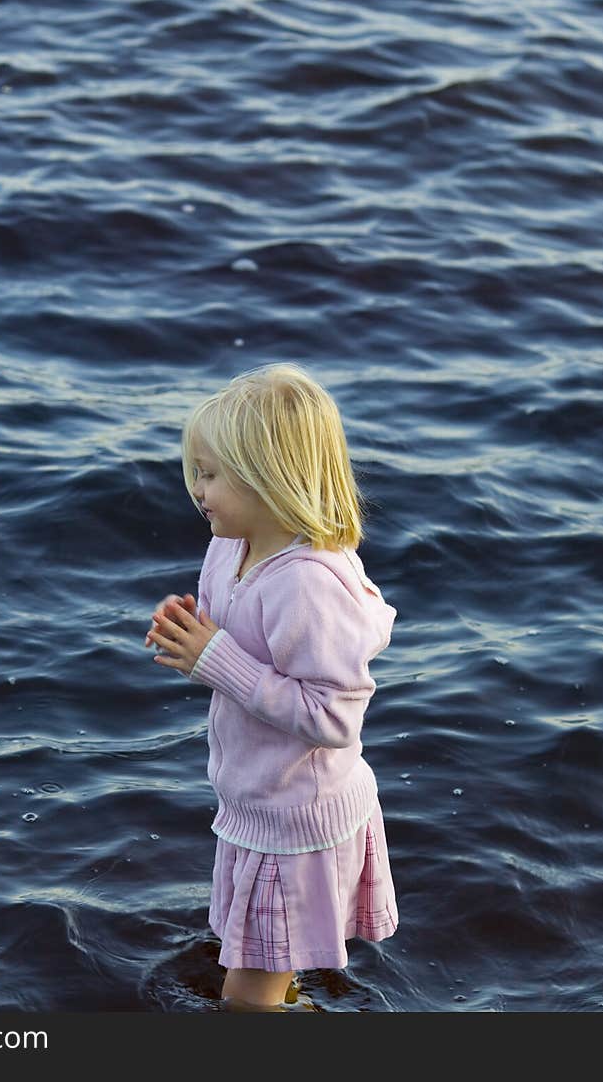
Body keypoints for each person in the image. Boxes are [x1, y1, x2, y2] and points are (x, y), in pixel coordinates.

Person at [144, 362, 399, 1011]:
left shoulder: (309, 583)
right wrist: (192, 635)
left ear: (268, 480)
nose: (197, 490)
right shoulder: (230, 544)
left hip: (296, 821)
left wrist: (217, 657)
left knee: (246, 999)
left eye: (211, 474)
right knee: (266, 970)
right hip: (257, 802)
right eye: (195, 470)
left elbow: (334, 716)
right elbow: (228, 630)